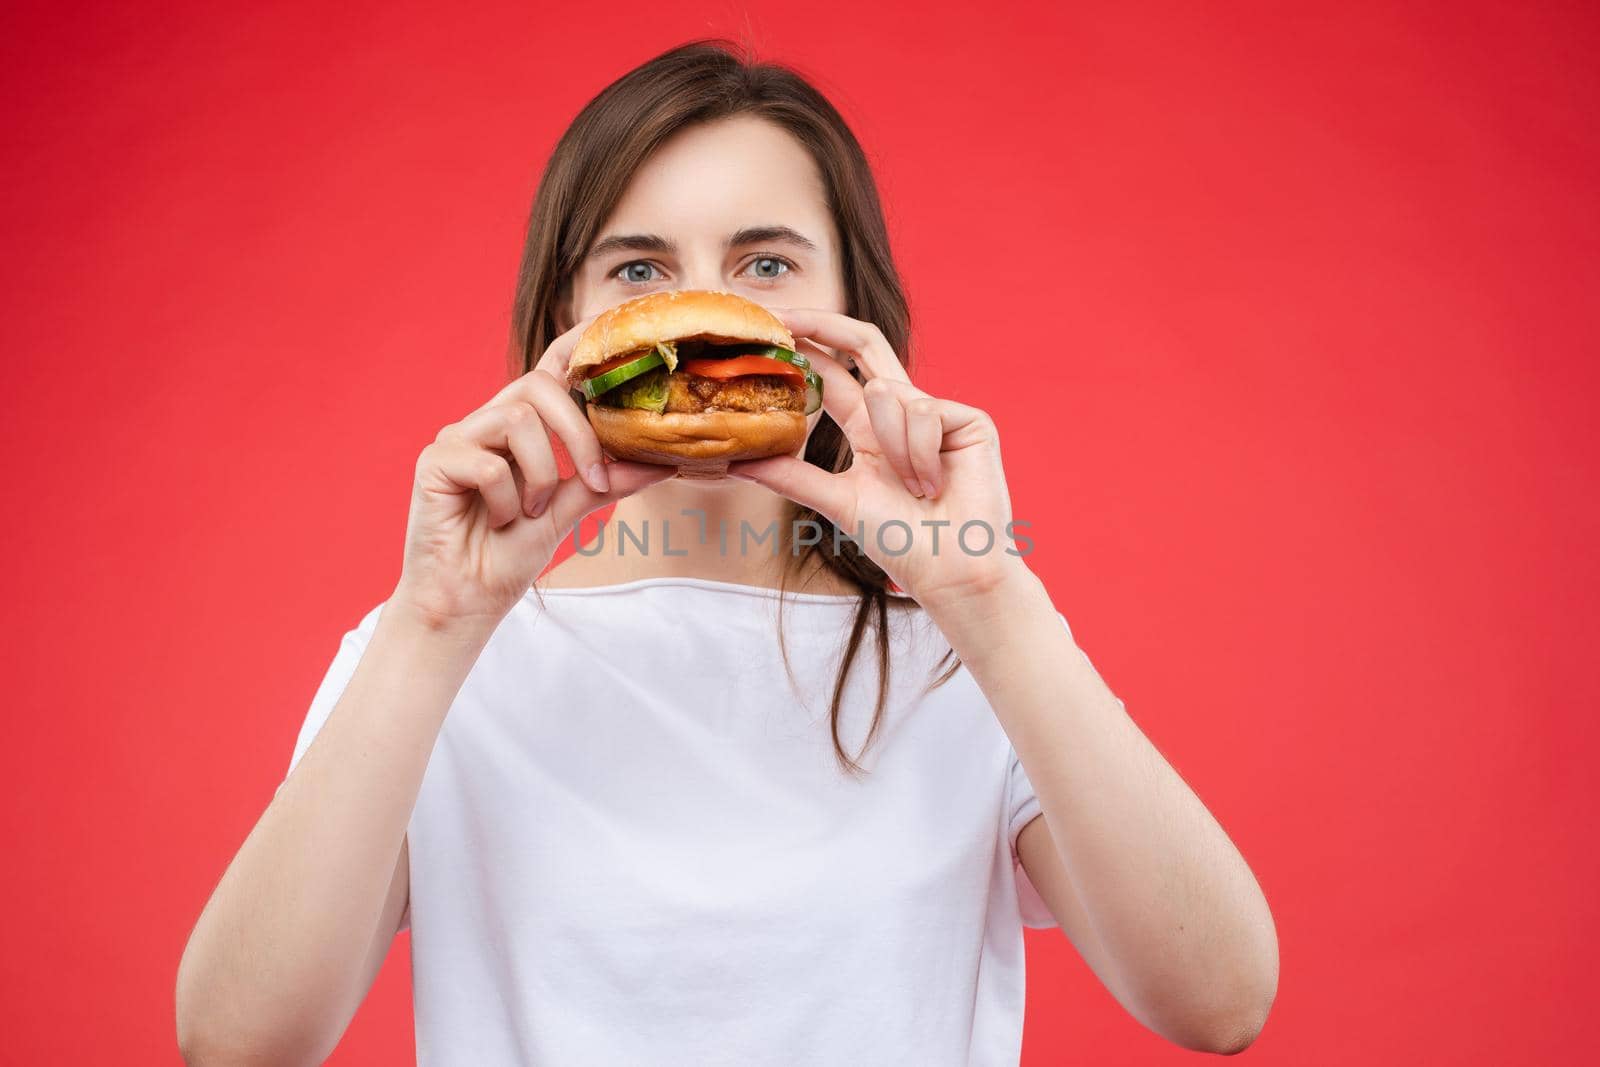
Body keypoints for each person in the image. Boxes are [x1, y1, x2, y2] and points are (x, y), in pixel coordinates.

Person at [175, 40, 1278, 1066]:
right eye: (640, 271)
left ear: (851, 309)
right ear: (566, 319)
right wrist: (434, 621)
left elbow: (1218, 997)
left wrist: (986, 590)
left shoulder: (970, 658)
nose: (702, 306)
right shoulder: (433, 656)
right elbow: (238, 1039)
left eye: (763, 262)